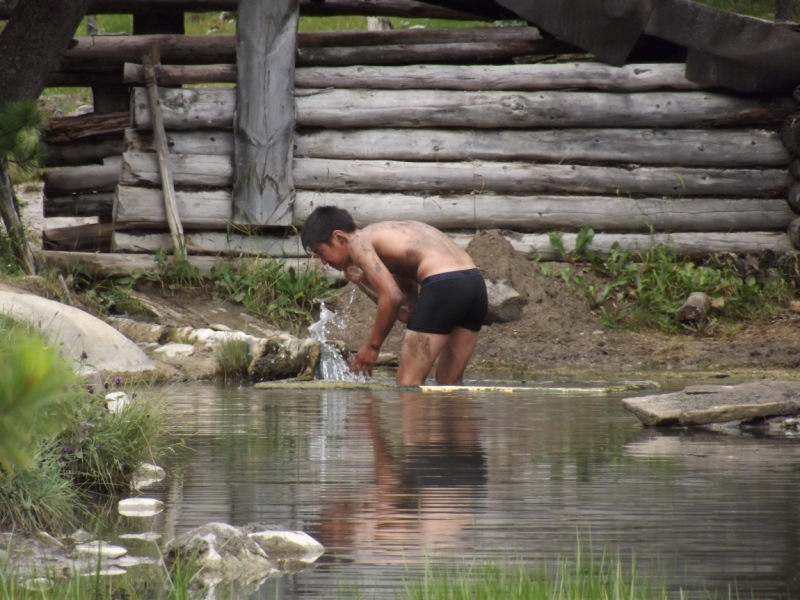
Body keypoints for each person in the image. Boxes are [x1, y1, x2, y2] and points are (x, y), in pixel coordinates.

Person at [301, 206, 488, 385]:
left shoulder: (358, 242)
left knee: (407, 385)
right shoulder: (392, 240)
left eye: (320, 252)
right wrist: (361, 281)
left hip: (443, 284)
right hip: (475, 284)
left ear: (339, 237)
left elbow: (391, 297)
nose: (323, 262)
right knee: (450, 383)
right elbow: (407, 312)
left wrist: (372, 347)